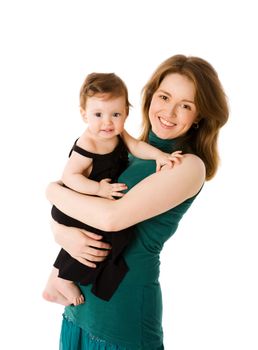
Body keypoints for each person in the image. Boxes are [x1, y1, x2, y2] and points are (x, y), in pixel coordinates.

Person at [46, 54, 229, 349]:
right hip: (79, 303)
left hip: (122, 314)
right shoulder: (126, 150)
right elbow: (78, 206)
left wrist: (52, 192)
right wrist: (61, 233)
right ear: (150, 97)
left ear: (200, 117)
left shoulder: (186, 165)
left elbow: (110, 218)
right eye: (164, 97)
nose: (169, 111)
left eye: (186, 105)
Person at [43, 72, 182, 307]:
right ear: (83, 114)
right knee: (94, 239)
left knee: (96, 239)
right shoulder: (88, 143)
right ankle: (60, 278)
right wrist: (98, 189)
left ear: (126, 113)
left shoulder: (118, 134)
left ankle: (60, 279)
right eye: (98, 114)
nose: (107, 122)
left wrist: (160, 156)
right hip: (77, 203)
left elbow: (137, 146)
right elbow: (70, 177)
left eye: (115, 114)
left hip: (92, 205)